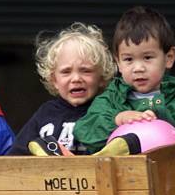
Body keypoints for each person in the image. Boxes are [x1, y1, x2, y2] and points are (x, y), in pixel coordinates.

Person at [73, 6, 175, 155]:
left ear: (169, 58)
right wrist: (117, 119)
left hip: (166, 173)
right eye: (128, 59)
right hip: (119, 176)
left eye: (147, 57)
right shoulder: (111, 99)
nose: (138, 68)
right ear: (118, 62)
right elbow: (84, 130)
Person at [8, 22, 116, 155]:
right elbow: (16, 156)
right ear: (54, 80)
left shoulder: (108, 111)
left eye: (85, 71)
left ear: (101, 77)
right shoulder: (45, 114)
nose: (76, 78)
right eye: (66, 71)